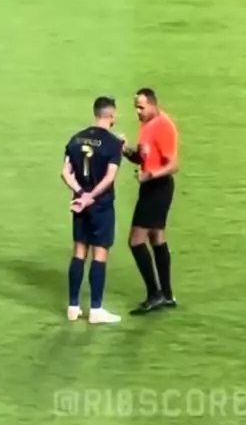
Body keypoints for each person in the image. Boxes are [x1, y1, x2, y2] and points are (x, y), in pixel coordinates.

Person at [61, 97, 122, 324]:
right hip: (101, 205)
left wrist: (81, 194)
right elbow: (109, 177)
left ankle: (73, 306)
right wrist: (91, 197)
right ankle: (96, 309)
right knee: (100, 253)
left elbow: (65, 173)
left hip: (79, 204)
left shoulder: (76, 139)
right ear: (111, 115)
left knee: (79, 251)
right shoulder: (113, 144)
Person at [121, 89, 179, 315]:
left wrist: (149, 175)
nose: (138, 111)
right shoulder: (147, 124)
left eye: (141, 107)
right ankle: (167, 294)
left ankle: (155, 295)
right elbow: (143, 156)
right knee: (157, 238)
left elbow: (173, 165)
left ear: (154, 104)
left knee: (136, 241)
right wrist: (126, 151)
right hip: (151, 187)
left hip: (158, 187)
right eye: (136, 107)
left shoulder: (163, 126)